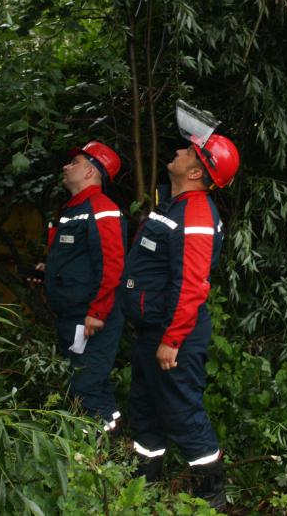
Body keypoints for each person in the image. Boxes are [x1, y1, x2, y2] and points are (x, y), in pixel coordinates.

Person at [120, 130, 239, 509]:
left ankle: (212, 496)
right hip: (152, 331)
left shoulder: (197, 213)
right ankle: (145, 485)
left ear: (195, 173)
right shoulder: (174, 205)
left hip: (175, 336)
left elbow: (191, 284)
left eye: (188, 151)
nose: (177, 150)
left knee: (182, 413)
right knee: (144, 408)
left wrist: (172, 339)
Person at [33, 141, 127, 434]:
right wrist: (50, 273)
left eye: (73, 162)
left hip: (93, 318)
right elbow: (78, 259)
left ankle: (92, 452)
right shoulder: (71, 210)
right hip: (74, 317)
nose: (66, 166)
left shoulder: (102, 209)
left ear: (90, 170)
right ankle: (109, 445)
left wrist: (97, 313)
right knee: (88, 383)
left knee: (85, 383)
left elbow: (113, 266)